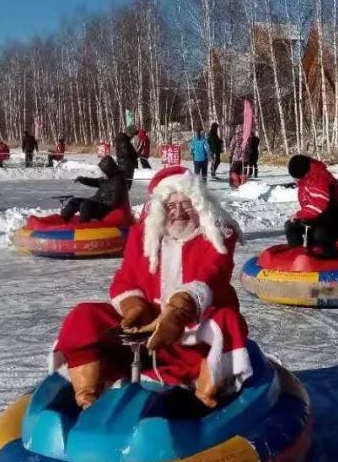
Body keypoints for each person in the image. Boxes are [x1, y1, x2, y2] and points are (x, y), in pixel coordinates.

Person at [50, 166, 251, 409]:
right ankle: (88, 399)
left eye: (185, 204)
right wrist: (135, 308)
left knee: (227, 321)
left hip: (193, 331)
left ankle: (203, 402)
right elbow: (125, 278)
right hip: (146, 329)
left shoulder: (218, 234)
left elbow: (213, 275)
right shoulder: (143, 235)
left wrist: (178, 312)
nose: (178, 212)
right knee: (85, 316)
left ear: (198, 204)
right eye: (170, 205)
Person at [285, 154, 338, 259]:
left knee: (320, 234)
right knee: (291, 226)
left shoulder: (320, 178)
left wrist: (299, 215)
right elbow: (309, 206)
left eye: (295, 177)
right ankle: (297, 256)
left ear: (303, 173)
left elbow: (319, 206)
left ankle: (333, 259)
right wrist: (301, 216)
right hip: (320, 217)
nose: (294, 180)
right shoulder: (305, 180)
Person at [60, 155, 129, 223]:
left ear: (109, 171)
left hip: (104, 209)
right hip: (97, 203)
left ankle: (83, 225)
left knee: (85, 204)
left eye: (104, 172)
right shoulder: (107, 178)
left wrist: (100, 200)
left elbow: (114, 202)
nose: (102, 174)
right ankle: (63, 219)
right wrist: (82, 179)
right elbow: (96, 182)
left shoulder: (118, 183)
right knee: (75, 201)